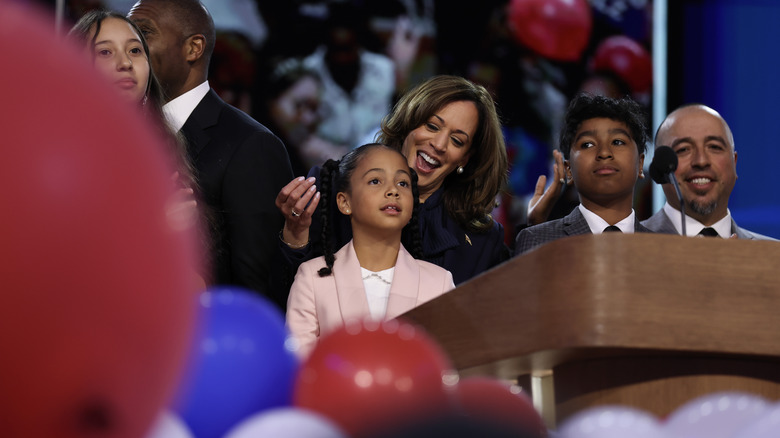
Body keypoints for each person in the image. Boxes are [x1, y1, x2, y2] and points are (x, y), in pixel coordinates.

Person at [128, 0, 295, 305]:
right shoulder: (123, 138)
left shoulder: (250, 145)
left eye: (143, 34)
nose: (130, 52)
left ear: (193, 48)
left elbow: (255, 290)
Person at [276, 75, 510, 292]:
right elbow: (287, 299)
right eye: (432, 126)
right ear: (409, 123)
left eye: (457, 140)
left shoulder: (481, 240)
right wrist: (295, 238)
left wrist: (538, 225)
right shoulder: (329, 188)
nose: (439, 144)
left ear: (465, 159)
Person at [68, 10, 208, 289]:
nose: (125, 63)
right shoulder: (60, 156)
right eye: (105, 52)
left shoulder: (162, 151)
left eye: (135, 50)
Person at [286, 144, 455, 358]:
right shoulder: (312, 277)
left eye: (403, 183)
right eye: (375, 181)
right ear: (344, 202)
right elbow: (300, 368)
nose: (393, 190)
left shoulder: (439, 283)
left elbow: (449, 364)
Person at [514, 93, 652, 256]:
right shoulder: (538, 240)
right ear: (569, 169)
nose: (604, 153)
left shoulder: (664, 247)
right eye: (588, 144)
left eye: (617, 142)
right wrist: (536, 225)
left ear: (640, 164)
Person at [641, 104, 776, 240]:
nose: (701, 161)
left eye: (714, 147)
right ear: (659, 167)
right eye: (683, 149)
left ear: (734, 163)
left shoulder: (774, 256)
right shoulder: (627, 247)